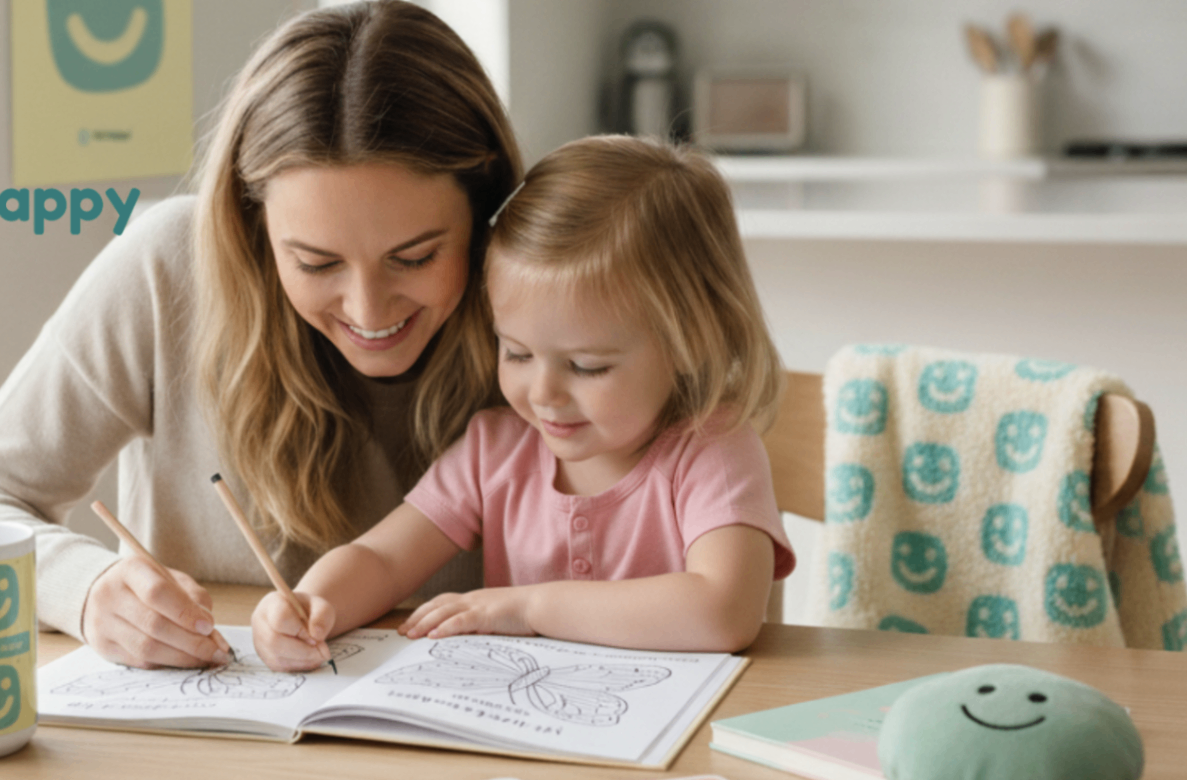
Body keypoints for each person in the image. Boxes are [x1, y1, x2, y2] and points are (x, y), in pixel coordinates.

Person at [0, 1, 522, 669]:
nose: (368, 309)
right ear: (253, 226)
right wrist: (84, 591)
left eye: (415, 257)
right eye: (315, 262)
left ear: (487, 216)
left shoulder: (552, 294)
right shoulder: (168, 266)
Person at [253, 135, 797, 671]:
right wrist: (310, 603)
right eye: (515, 353)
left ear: (692, 343)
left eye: (587, 366)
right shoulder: (496, 449)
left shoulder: (713, 450)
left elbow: (724, 612)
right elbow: (383, 559)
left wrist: (530, 605)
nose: (542, 395)